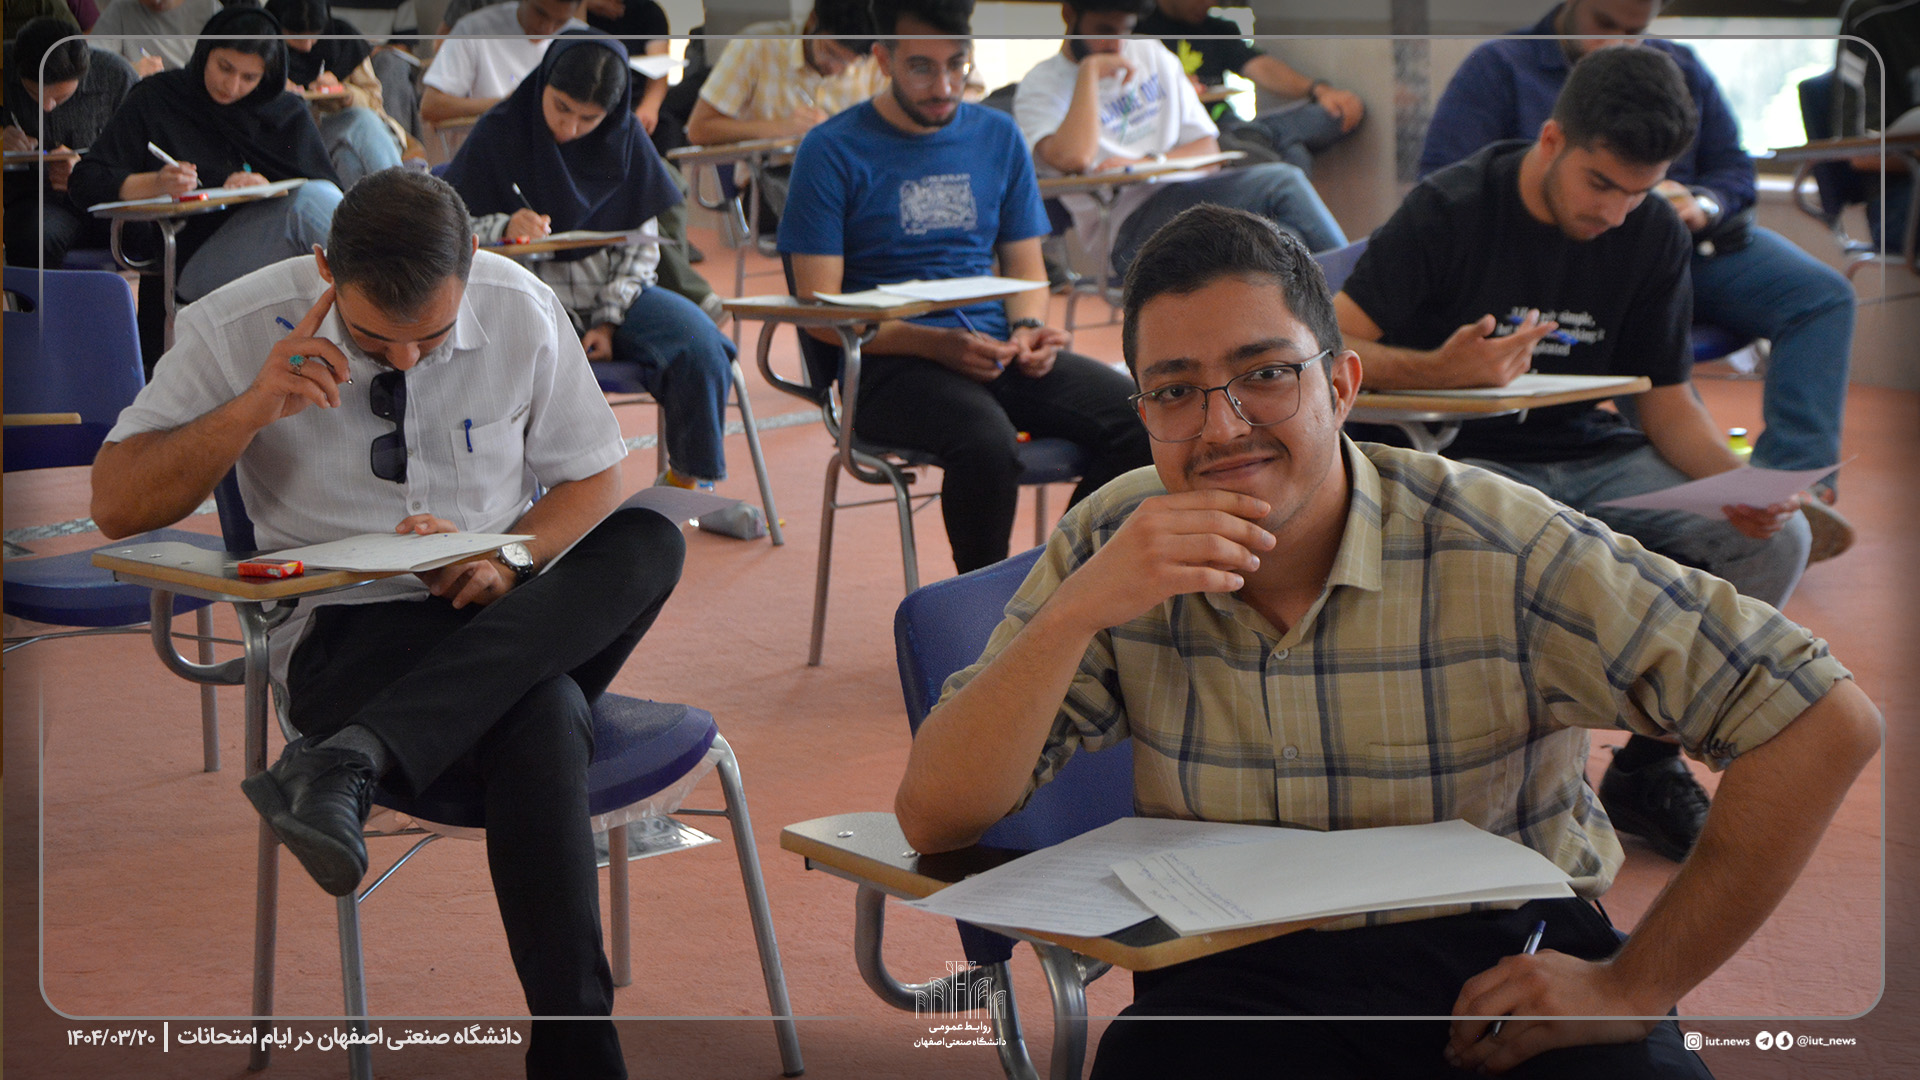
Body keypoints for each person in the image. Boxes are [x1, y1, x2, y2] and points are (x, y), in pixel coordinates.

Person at [895, 202, 1881, 1080]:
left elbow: (1820, 720)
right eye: (1175, 390)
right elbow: (936, 816)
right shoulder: (1115, 538)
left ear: (1342, 385)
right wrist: (1074, 611)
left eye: (1265, 374)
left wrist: (1633, 985)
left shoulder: (1498, 543)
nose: (1222, 427)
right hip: (1232, 981)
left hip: (1496, 961)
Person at [90, 167, 678, 1079]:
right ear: (326, 267)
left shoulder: (518, 306)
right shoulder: (234, 323)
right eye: (373, 339)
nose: (403, 360)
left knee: (650, 539)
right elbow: (117, 504)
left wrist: (507, 556)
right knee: (546, 710)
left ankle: (349, 759)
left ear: (471, 259)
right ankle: (580, 1053)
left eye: (430, 339)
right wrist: (250, 408)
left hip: (500, 608)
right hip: (344, 633)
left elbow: (596, 473)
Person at [1335, 47, 1816, 866]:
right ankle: (1504, 778)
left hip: (1586, 451)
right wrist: (1439, 370)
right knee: (1524, 547)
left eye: (1639, 191)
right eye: (1602, 184)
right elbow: (1329, 347)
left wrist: (1740, 486)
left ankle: (1647, 767)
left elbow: (1667, 402)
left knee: (1774, 544)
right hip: (1460, 457)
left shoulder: (1651, 231)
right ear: (1552, 140)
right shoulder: (1452, 206)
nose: (1617, 211)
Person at [1419, 0, 1858, 561]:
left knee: (1822, 296)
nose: (1620, 43)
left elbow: (1734, 169)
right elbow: (1449, 184)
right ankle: (1708, 490)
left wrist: (1701, 202)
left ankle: (1788, 486)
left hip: (1696, 244)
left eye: (1636, 31)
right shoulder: (1501, 65)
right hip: (1577, 259)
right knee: (1639, 343)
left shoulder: (1681, 66)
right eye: (1606, 25)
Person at [780, 0, 1151, 574]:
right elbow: (821, 312)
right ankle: (985, 614)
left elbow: (1027, 269)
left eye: (957, 64)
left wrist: (1027, 327)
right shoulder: (830, 149)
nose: (945, 86)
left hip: (995, 349)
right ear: (883, 60)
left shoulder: (997, 136)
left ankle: (1058, 587)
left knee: (1143, 421)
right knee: (986, 445)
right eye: (921, 68)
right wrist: (935, 345)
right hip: (886, 363)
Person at [443, 32, 736, 490]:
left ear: (611, 113)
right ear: (543, 83)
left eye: (589, 118)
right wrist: (504, 225)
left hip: (613, 294)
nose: (569, 128)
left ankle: (685, 486)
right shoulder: (498, 132)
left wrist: (609, 321)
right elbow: (449, 226)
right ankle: (516, 500)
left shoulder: (625, 139)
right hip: (524, 304)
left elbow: (642, 245)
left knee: (701, 345)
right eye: (561, 107)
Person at [1012, 0, 1345, 280]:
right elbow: (1075, 158)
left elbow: (1208, 149)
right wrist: (1088, 74)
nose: (1116, 45)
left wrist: (1148, 164)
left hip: (1190, 199)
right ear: (1069, 14)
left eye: (1125, 30)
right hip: (1126, 228)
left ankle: (1344, 316)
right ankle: (1358, 296)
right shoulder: (1041, 86)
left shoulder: (1149, 53)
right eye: (1104, 30)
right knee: (1283, 181)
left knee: (1287, 238)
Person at [69, 5, 344, 306]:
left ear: (267, 75)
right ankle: (375, 288)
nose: (232, 85)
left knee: (321, 194)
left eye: (249, 77)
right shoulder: (160, 98)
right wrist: (156, 183)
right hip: (193, 255)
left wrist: (266, 188)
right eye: (224, 67)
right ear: (205, 51)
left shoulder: (285, 112)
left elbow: (326, 186)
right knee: (307, 206)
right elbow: (86, 181)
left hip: (284, 252)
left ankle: (368, 291)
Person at [1134, 0, 1363, 173]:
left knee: (1331, 115)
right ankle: (1262, 138)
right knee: (1294, 154)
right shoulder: (1136, 32)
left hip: (1229, 123)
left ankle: (1259, 135)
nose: (1210, 3)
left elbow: (1259, 66)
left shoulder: (1217, 29)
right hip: (1190, 137)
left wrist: (1318, 89)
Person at [3, 15, 136, 267]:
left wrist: (87, 174)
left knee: (155, 233)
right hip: (37, 203)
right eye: (33, 93)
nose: (47, 106)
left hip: (107, 200)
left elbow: (144, 154)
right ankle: (39, 296)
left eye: (61, 97)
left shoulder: (117, 76)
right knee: (34, 237)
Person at [264, 0, 408, 185]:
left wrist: (346, 93)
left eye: (314, 36)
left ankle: (394, 196)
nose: (307, 46)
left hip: (363, 137)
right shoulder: (263, 49)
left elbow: (375, 102)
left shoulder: (345, 41)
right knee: (360, 122)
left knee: (348, 157)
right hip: (297, 141)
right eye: (296, 37)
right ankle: (402, 194)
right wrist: (276, 90)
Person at [420, 0, 585, 127]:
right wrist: (506, 104)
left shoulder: (581, 39)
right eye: (540, 13)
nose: (547, 29)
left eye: (560, 21)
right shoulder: (474, 29)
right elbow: (431, 106)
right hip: (493, 142)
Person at [88, 0, 221, 76]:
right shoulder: (121, 8)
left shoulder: (209, 8)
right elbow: (93, 62)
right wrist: (130, 69)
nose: (157, 1)